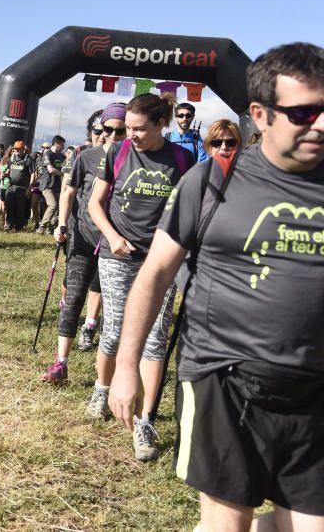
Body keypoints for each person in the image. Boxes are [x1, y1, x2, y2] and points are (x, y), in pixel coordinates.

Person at [110, 42, 324, 530]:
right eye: (304, 112)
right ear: (260, 115)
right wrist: (126, 367)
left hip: (311, 388)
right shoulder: (210, 182)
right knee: (230, 524)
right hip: (222, 380)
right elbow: (155, 275)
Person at [86, 92, 193, 462]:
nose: (129, 134)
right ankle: (103, 388)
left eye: (138, 129)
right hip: (117, 256)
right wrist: (113, 238)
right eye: (126, 127)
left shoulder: (182, 159)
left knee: (155, 339)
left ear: (162, 125)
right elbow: (94, 204)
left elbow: (188, 211)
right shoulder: (115, 153)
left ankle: (146, 419)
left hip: (160, 260)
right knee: (115, 329)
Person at [42, 105, 126, 384]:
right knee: (74, 297)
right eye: (107, 129)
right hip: (83, 236)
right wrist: (62, 224)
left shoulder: (134, 160)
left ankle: (107, 372)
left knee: (112, 307)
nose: (112, 135)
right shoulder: (85, 156)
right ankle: (61, 363)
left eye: (120, 130)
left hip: (117, 246)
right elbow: (68, 191)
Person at [36, 135, 66, 235]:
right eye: (62, 145)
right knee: (53, 205)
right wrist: (64, 174)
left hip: (58, 185)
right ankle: (42, 225)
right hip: (47, 185)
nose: (63, 147)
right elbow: (51, 170)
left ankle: (50, 228)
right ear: (56, 144)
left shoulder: (62, 156)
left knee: (58, 208)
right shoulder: (47, 154)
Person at [2, 142, 32, 231]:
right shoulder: (11, 159)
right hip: (11, 186)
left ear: (23, 149)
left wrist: (29, 188)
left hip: (22, 187)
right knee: (9, 205)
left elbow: (34, 174)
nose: (17, 150)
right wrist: (5, 174)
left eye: (19, 149)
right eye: (15, 149)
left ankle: (19, 226)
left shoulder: (28, 159)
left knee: (20, 207)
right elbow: (9, 169)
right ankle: (9, 224)